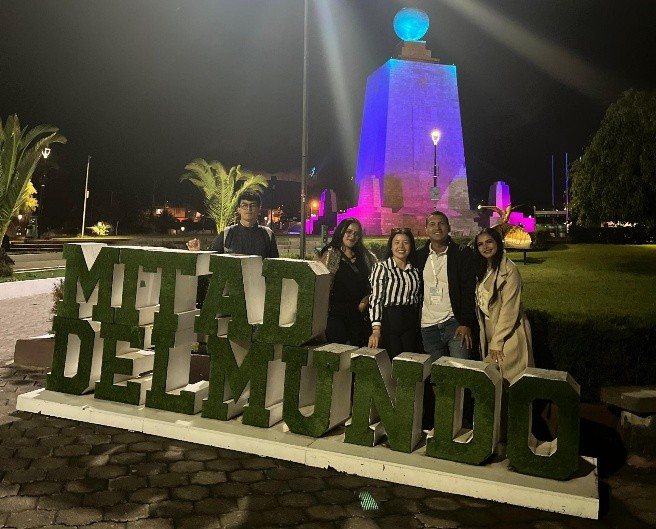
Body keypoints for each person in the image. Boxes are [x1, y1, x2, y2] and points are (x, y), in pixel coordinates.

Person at [474, 228, 533, 383]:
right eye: (480, 244)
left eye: (489, 242)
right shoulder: (484, 268)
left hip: (509, 333)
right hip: (489, 329)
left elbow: (509, 309)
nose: (485, 247)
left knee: (507, 378)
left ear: (497, 243)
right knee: (495, 380)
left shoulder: (510, 270)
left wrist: (497, 341)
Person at [416, 211, 477, 361]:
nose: (437, 227)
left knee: (460, 372)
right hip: (428, 327)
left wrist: (465, 323)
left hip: (455, 325)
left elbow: (469, 290)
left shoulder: (461, 254)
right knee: (438, 378)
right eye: (432, 224)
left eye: (441, 223)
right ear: (426, 229)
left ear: (448, 227)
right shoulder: (419, 256)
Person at [315, 218, 377, 346]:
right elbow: (320, 287)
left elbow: (375, 284)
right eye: (348, 232)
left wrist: (366, 300)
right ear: (341, 231)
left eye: (356, 233)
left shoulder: (366, 257)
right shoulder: (330, 255)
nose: (352, 236)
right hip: (335, 315)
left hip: (359, 316)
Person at [368, 228, 421, 359]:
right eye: (396, 242)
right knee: (393, 362)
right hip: (390, 321)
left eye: (406, 242)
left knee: (410, 362)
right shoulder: (382, 267)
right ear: (391, 246)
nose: (401, 246)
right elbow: (376, 299)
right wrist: (376, 330)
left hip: (410, 321)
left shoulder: (415, 269)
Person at [186, 190, 279, 259]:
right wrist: (197, 252)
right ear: (239, 209)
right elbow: (211, 259)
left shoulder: (268, 234)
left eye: (253, 205)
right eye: (244, 205)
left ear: (259, 209)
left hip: (259, 285)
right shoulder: (227, 233)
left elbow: (275, 267)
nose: (248, 209)